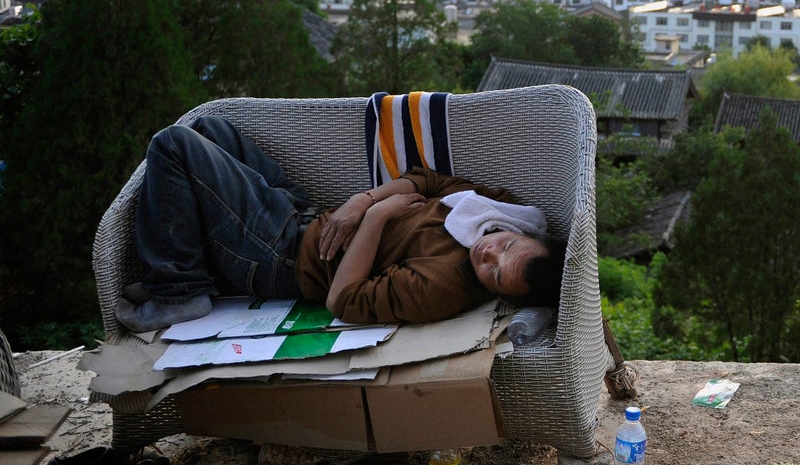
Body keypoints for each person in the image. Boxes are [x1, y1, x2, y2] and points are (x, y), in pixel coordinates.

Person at [115, 115, 564, 333]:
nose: (489, 254)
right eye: (505, 247)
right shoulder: (502, 212)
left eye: (495, 274)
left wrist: (377, 216)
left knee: (173, 144)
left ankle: (180, 292)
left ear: (498, 293)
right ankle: (189, 271)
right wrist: (362, 200)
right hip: (305, 216)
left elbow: (343, 299)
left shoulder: (443, 284)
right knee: (211, 129)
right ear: (526, 234)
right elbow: (429, 178)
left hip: (279, 257)